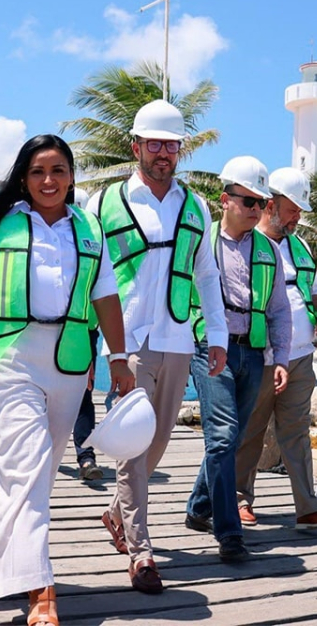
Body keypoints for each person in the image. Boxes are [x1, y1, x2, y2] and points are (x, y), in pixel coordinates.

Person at [0, 134, 134, 626]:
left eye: (57, 170)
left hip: (71, 362)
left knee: (35, 472)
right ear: (24, 177)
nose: (48, 180)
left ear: (72, 175)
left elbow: (106, 297)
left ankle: (3, 555)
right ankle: (40, 589)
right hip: (12, 356)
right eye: (37, 172)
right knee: (26, 469)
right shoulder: (0, 224)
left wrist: (119, 357)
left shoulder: (90, 228)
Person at [86, 99, 227, 594]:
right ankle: (142, 554)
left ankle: (115, 512)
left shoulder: (198, 205)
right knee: (132, 445)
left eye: (171, 145)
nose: (164, 152)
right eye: (155, 143)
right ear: (136, 147)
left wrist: (218, 335)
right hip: (125, 341)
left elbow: (207, 275)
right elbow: (89, 278)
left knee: (160, 441)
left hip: (177, 337)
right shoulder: (102, 202)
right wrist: (92, 347)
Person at [185, 156, 291, 562]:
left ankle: (198, 508)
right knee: (224, 436)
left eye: (261, 203)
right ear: (224, 199)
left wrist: (279, 357)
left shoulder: (270, 251)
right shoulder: (201, 242)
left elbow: (279, 309)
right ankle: (229, 533)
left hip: (253, 352)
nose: (256, 210)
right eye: (248, 201)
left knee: (227, 439)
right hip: (211, 349)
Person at [234, 168, 317, 531]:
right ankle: (239, 500)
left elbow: (309, 293)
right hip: (262, 355)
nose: (298, 217)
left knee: (296, 431)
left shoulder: (301, 246)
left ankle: (307, 506)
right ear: (271, 203)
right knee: (251, 427)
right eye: (293, 209)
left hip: (300, 355)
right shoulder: (247, 243)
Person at [69, 186, 103, 481]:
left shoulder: (95, 247)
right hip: (48, 332)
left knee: (84, 394)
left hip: (86, 333)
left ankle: (85, 456)